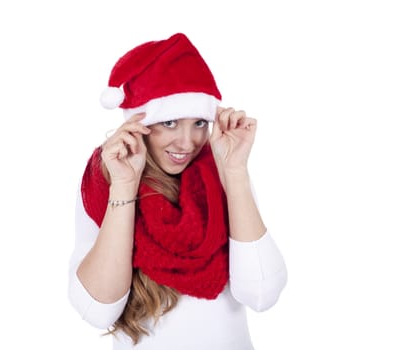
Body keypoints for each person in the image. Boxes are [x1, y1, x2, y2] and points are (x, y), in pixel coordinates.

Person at [68, 33, 287, 350]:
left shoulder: (224, 170)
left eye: (199, 122)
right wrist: (125, 187)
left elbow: (261, 293)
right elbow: (97, 309)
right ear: (139, 122)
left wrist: (236, 172)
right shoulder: (103, 179)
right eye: (170, 122)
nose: (188, 143)